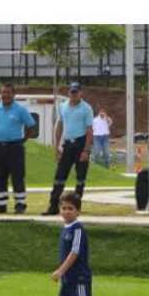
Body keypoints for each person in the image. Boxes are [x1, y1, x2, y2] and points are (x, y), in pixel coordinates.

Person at [50, 191, 101, 296]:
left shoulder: (77, 229)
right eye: (64, 208)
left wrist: (60, 271)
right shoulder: (66, 228)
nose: (66, 211)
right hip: (68, 278)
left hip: (78, 277)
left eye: (70, 208)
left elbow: (75, 252)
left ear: (78, 211)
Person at [0, 82, 37, 214]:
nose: (5, 95)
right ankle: (0, 205)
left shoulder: (20, 110)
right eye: (3, 92)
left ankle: (20, 204)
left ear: (14, 95)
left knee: (17, 176)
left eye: (8, 92)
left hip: (15, 147)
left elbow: (31, 126)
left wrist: (23, 139)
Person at [44, 82, 95, 216]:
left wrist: (86, 150)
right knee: (60, 176)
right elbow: (59, 125)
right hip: (68, 144)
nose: (74, 95)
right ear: (69, 93)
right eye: (72, 92)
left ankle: (76, 207)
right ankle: (53, 205)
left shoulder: (86, 108)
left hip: (81, 143)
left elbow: (89, 130)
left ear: (80, 93)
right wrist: (56, 147)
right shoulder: (63, 106)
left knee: (80, 178)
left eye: (76, 92)